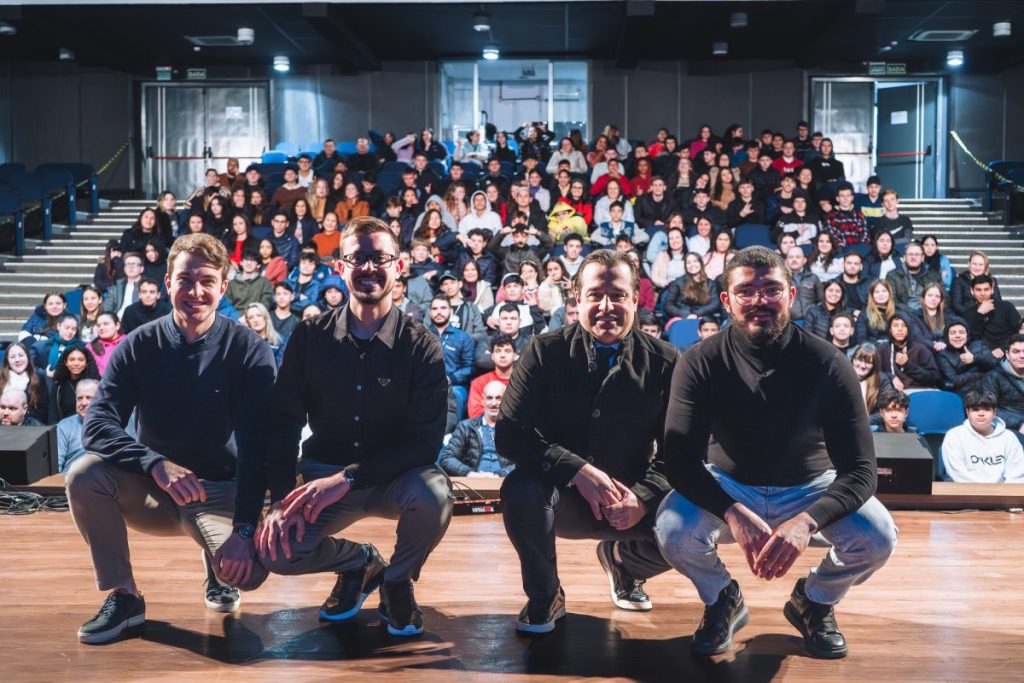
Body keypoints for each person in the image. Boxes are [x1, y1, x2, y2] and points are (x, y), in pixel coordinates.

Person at [656, 246, 897, 659]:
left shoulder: (829, 363)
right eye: (746, 291)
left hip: (810, 486)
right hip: (729, 483)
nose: (759, 301)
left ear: (790, 295)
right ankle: (722, 599)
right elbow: (678, 460)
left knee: (878, 538)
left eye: (771, 289)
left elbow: (861, 471)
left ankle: (815, 601)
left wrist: (807, 522)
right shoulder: (698, 362)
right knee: (672, 530)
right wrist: (730, 509)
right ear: (727, 300)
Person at [67, 233, 277, 644]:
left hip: (221, 490)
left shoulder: (250, 350)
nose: (195, 292)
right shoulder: (138, 345)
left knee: (248, 575)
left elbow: (258, 448)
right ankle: (125, 597)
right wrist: (154, 464)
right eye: (184, 280)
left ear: (223, 285)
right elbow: (97, 424)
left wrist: (246, 529)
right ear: (167, 283)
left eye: (206, 281)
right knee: (84, 475)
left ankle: (217, 566)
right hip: (155, 489)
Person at [258, 216, 451, 638]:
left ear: (399, 266)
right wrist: (277, 498)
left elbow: (425, 442)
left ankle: (397, 582)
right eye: (357, 258)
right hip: (322, 474)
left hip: (395, 476)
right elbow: (284, 421)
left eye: (378, 258)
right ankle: (360, 563)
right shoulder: (310, 337)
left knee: (435, 494)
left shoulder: (421, 345)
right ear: (340, 267)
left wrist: (349, 479)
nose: (368, 268)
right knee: (276, 553)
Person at [496, 249, 678, 633]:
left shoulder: (666, 360)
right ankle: (545, 594)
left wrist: (643, 497)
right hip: (560, 496)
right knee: (520, 490)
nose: (607, 306)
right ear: (576, 299)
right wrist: (576, 469)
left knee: (698, 512)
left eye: (618, 295)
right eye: (596, 294)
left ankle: (626, 564)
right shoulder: (544, 351)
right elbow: (510, 434)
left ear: (635, 299)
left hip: (630, 504)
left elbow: (679, 451)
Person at [941, 389, 1024, 483]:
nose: (981, 414)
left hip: (1003, 495)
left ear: (994, 412)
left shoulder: (1009, 438)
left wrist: (1001, 494)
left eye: (986, 409)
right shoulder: (954, 436)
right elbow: (958, 474)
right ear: (967, 412)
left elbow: (1016, 476)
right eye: (975, 410)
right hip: (966, 493)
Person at [439, 381, 514, 478]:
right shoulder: (466, 427)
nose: (494, 403)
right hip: (471, 487)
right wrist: (470, 473)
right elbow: (446, 458)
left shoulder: (514, 429)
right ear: (483, 400)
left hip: (506, 483)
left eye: (499, 398)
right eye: (489, 398)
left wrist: (500, 474)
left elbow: (525, 461)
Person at [426, 294, 476, 418]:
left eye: (443, 308)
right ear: (430, 312)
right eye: (435, 309)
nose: (439, 312)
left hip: (454, 386)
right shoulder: (420, 336)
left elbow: (469, 367)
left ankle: (449, 436)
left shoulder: (463, 337)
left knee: (454, 397)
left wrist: (451, 378)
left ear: (451, 311)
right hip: (425, 384)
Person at [878, 312, 942, 393]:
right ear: (890, 329)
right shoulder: (883, 349)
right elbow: (876, 373)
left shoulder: (920, 348)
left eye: (904, 325)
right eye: (895, 325)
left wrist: (907, 364)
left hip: (921, 391)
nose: (900, 329)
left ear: (909, 329)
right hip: (896, 395)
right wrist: (891, 377)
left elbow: (934, 379)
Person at [937, 320, 999, 397]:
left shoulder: (979, 345)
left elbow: (996, 364)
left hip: (987, 390)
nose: (957, 335)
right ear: (947, 336)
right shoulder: (943, 354)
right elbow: (954, 380)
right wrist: (980, 375)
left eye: (962, 332)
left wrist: (974, 358)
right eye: (953, 333)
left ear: (967, 334)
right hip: (961, 393)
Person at [963, 275, 1021, 353]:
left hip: (1008, 353)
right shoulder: (967, 313)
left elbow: (1019, 331)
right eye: (978, 290)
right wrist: (979, 314)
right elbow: (970, 338)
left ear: (992, 290)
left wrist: (1003, 348)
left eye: (986, 289)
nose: (982, 293)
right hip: (982, 355)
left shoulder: (1006, 307)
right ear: (972, 291)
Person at [981, 335, 1024, 433]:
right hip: (1007, 428)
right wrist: (1019, 424)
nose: (1022, 356)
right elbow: (987, 409)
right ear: (1007, 355)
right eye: (1016, 352)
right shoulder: (993, 377)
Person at [0, 342, 50, 424]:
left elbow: (43, 411)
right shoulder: (1, 379)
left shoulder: (38, 378)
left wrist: (19, 418)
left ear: (27, 357)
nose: (17, 360)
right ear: (7, 360)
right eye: (12, 357)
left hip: (30, 426)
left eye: (21, 355)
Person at [467, 335, 516, 419]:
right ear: (492, 356)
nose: (502, 355)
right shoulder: (479, 382)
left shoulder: (523, 382)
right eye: (498, 351)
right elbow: (475, 414)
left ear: (515, 355)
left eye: (507, 351)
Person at [57, 379, 100, 474]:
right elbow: (55, 467)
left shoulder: (116, 423)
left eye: (89, 398)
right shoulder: (64, 427)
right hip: (71, 483)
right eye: (80, 398)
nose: (83, 403)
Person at [951, 251, 1002, 318]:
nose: (977, 268)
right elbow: (956, 305)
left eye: (980, 265)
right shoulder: (959, 280)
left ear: (985, 266)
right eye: (974, 264)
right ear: (969, 264)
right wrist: (975, 314)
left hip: (989, 316)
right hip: (967, 317)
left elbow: (998, 302)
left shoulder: (992, 280)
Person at [225, 250, 274, 315]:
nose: (248, 263)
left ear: (258, 265)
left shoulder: (264, 282)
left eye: (252, 261)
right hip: (235, 318)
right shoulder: (232, 284)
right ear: (241, 262)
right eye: (246, 260)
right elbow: (227, 306)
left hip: (256, 316)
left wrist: (251, 316)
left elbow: (266, 303)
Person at [88, 312, 125, 377]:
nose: (101, 328)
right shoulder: (90, 347)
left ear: (117, 325)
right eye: (98, 325)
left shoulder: (129, 342)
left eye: (106, 324)